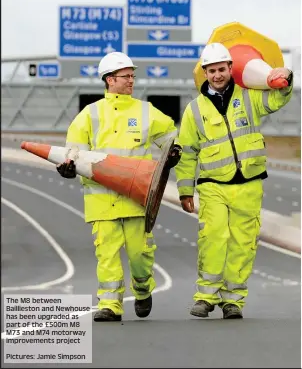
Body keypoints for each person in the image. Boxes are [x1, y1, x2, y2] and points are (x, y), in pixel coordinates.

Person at [56, 52, 182, 322]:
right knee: (107, 253)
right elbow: (73, 153)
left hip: (137, 198)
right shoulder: (89, 116)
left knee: (139, 253)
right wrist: (67, 167)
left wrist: (174, 153)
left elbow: (172, 139)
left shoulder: (146, 112)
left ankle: (142, 287)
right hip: (101, 201)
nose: (131, 81)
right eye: (126, 76)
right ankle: (110, 304)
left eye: (133, 76)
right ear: (110, 80)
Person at [175, 42, 293, 319]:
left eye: (221, 69)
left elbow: (277, 98)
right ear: (205, 73)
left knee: (243, 241)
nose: (217, 75)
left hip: (249, 183)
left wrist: (285, 78)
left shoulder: (250, 97)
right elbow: (188, 153)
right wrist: (184, 191)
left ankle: (233, 301)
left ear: (231, 68)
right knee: (213, 237)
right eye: (211, 70)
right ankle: (206, 296)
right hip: (213, 184)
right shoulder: (194, 110)